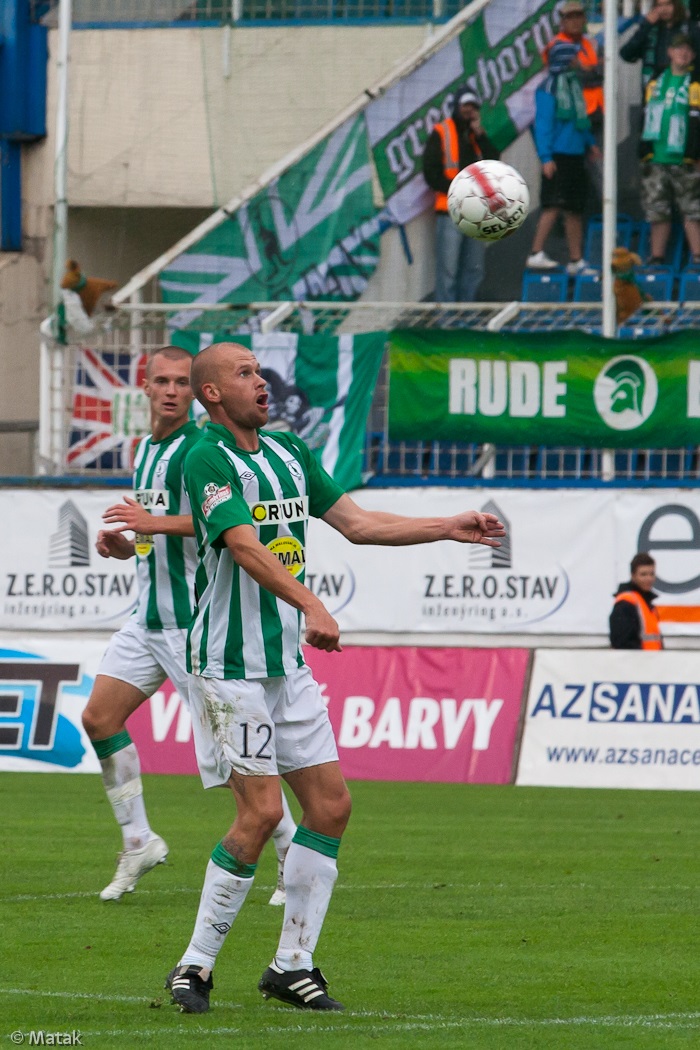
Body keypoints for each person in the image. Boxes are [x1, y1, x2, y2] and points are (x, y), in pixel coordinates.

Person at [164, 341, 506, 1015]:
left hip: (284, 667)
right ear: (212, 394)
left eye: (259, 370)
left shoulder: (290, 451)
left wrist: (447, 526)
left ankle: (292, 965)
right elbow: (244, 546)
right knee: (262, 814)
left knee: (330, 808)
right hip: (228, 668)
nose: (261, 381)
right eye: (243, 373)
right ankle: (195, 966)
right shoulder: (205, 456)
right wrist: (313, 605)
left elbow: (358, 523)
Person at [81, 344, 297, 904]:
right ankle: (138, 840)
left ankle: (289, 852)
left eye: (182, 381)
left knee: (234, 763)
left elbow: (217, 521)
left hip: (192, 626)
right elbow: (155, 535)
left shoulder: (197, 450)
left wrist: (151, 522)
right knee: (99, 718)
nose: (173, 390)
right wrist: (126, 544)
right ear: (146, 387)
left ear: (197, 392)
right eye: (163, 381)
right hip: (146, 619)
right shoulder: (146, 451)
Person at [526, 39, 601, 274]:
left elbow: (580, 118)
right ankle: (536, 252)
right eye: (574, 56)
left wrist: (590, 143)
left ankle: (576, 260)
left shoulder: (573, 85)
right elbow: (543, 125)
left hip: (575, 153)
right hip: (558, 155)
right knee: (553, 204)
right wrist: (546, 157)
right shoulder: (548, 88)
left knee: (574, 208)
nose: (579, 60)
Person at [422, 88, 500, 302]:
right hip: (450, 211)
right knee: (448, 272)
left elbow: (495, 162)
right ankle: (447, 320)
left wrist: (480, 134)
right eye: (466, 105)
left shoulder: (476, 136)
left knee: (475, 269)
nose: (469, 110)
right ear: (456, 106)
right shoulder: (442, 132)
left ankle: (467, 317)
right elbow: (430, 173)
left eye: (473, 106)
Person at [638, 32, 700, 266]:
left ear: (693, 55)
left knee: (692, 210)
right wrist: (644, 151)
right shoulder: (655, 80)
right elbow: (644, 116)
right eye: (678, 48)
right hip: (656, 156)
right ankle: (657, 258)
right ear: (669, 52)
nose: (683, 53)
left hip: (686, 159)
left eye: (687, 49)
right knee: (657, 211)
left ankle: (698, 257)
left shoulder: (696, 82)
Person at [542, 0, 605, 199]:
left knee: (597, 168)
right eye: (570, 17)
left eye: (578, 16)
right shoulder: (557, 46)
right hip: (569, 117)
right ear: (562, 21)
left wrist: (588, 70)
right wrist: (591, 70)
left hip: (593, 113)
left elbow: (601, 73)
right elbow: (569, 76)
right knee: (568, 173)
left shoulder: (590, 43)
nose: (575, 21)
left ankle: (602, 212)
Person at [620, 0, 700, 90]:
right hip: (653, 90)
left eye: (668, 4)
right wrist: (646, 26)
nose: (664, 9)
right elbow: (626, 54)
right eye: (659, 5)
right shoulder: (650, 30)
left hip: (684, 90)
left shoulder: (690, 29)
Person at [609, 552, 663, 649]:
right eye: (643, 574)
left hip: (652, 658)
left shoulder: (646, 603)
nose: (649, 578)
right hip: (640, 659)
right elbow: (622, 644)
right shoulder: (626, 604)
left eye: (652, 574)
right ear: (633, 576)